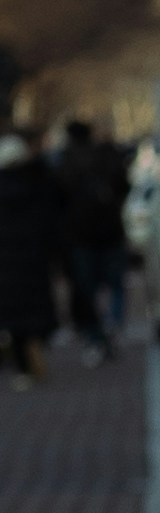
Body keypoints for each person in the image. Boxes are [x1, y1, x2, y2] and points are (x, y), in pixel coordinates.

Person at [54, 123, 126, 358]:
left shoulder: (66, 161)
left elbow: (57, 201)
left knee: (87, 289)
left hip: (81, 237)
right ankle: (112, 323)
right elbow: (124, 186)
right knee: (115, 284)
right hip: (110, 233)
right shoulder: (107, 155)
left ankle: (95, 333)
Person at [0, 137, 58, 387]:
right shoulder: (38, 183)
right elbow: (51, 219)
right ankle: (35, 350)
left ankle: (23, 363)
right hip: (34, 258)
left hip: (7, 262)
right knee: (35, 308)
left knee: (13, 314)